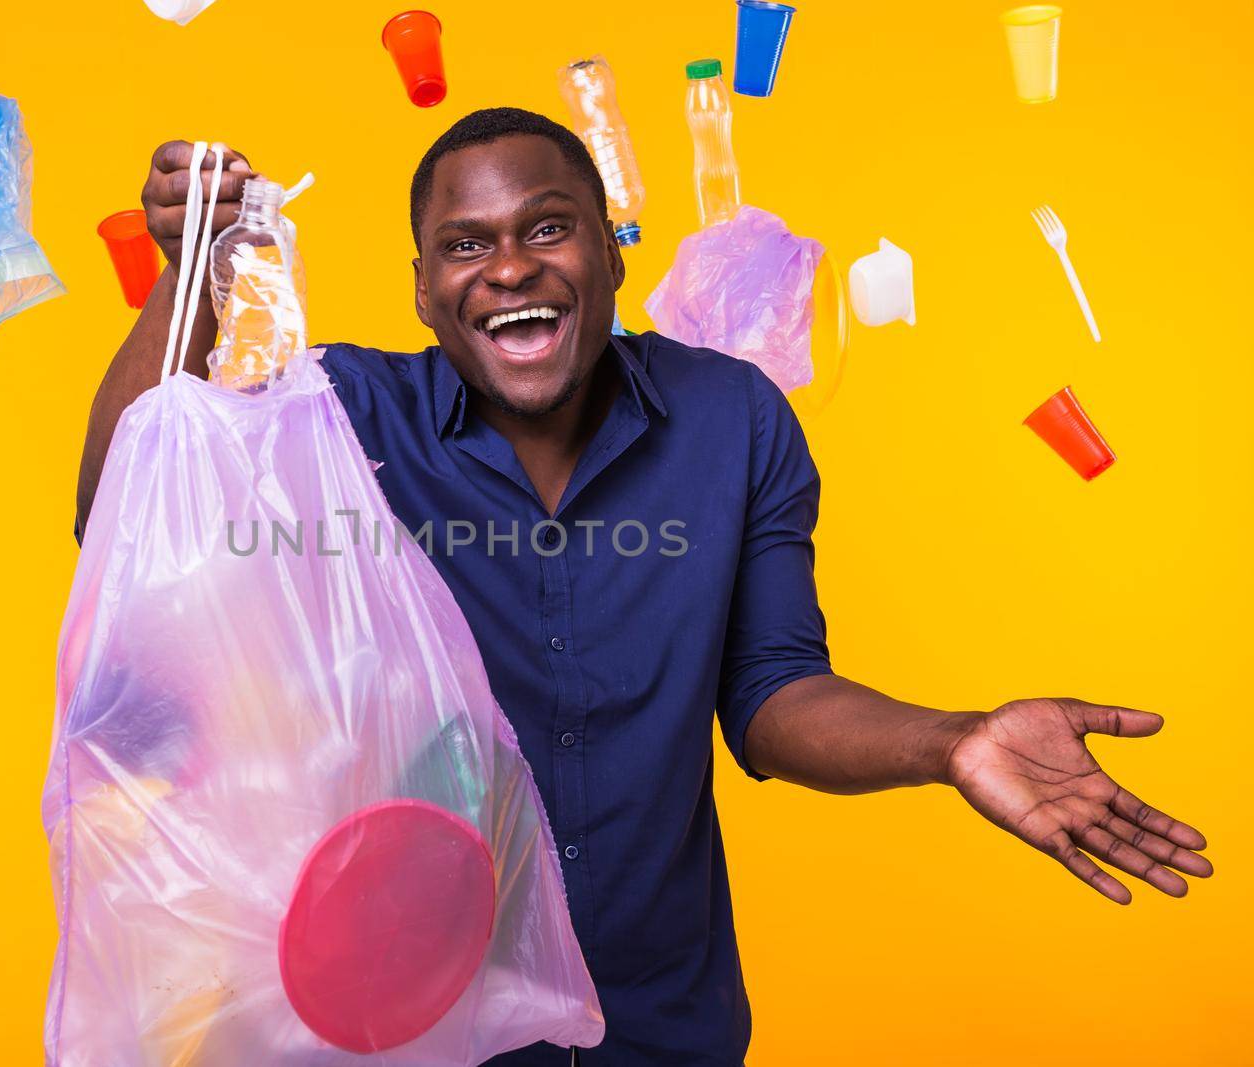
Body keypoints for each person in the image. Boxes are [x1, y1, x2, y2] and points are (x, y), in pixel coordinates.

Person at [74, 108, 1212, 1065]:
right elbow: (124, 519)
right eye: (466, 247)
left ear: (612, 254)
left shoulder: (732, 419)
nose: (510, 265)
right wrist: (191, 276)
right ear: (423, 291)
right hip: (410, 1027)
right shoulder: (345, 419)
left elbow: (772, 695)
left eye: (547, 227)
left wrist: (951, 740)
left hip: (661, 1023)